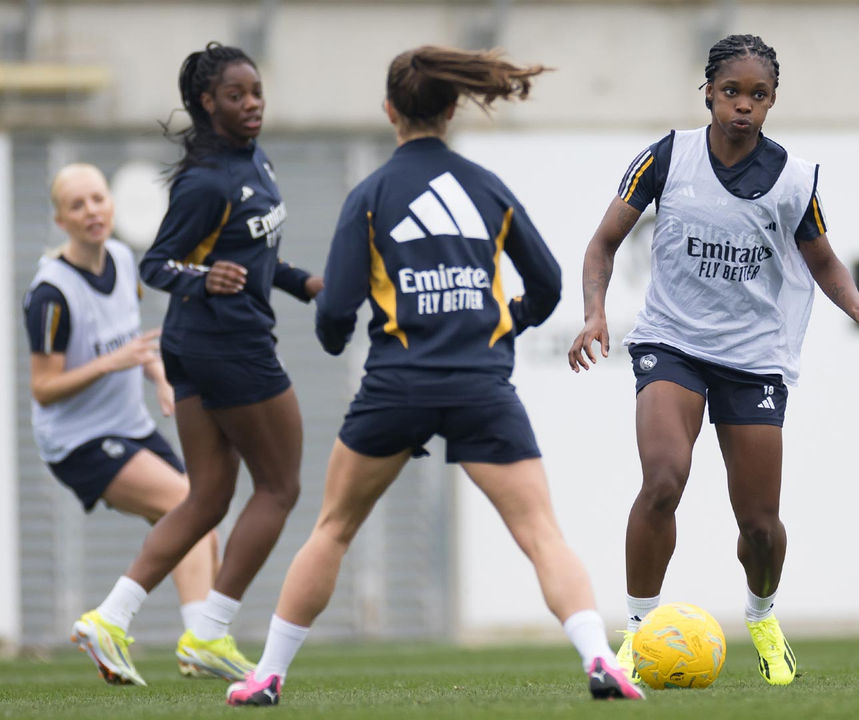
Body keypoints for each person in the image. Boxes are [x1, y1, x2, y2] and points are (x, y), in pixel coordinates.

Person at [224, 45, 643, 707]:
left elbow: (335, 307)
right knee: (542, 533)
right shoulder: (485, 188)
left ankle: (268, 676)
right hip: (482, 386)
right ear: (451, 109)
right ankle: (600, 659)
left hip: (397, 387)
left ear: (390, 111)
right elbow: (549, 282)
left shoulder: (370, 195)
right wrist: (512, 320)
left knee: (332, 528)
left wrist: (335, 339)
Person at [568, 34, 859, 687]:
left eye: (758, 95)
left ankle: (761, 616)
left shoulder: (792, 178)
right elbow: (604, 242)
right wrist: (594, 312)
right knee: (664, 480)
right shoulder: (667, 157)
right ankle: (637, 636)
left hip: (754, 357)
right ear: (708, 92)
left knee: (759, 526)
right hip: (672, 343)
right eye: (732, 92)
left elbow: (823, 260)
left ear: (773, 100)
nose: (743, 106)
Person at [71, 42, 322, 686]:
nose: (252, 104)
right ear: (207, 104)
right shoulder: (206, 179)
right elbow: (158, 264)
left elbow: (255, 256)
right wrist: (205, 276)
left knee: (208, 496)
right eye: (236, 96)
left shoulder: (253, 160)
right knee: (280, 487)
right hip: (225, 346)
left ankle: (109, 619)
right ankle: (209, 632)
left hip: (200, 344)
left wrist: (305, 284)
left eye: (257, 92)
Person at [31, 164, 225, 683]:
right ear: (60, 220)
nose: (92, 210)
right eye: (78, 205)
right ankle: (179, 639)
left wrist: (158, 376)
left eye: (97, 198)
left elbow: (133, 342)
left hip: (129, 425)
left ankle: (196, 645)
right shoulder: (50, 294)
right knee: (191, 504)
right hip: (77, 442)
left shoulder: (122, 258)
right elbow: (43, 389)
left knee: (202, 525)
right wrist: (108, 364)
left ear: (111, 205)